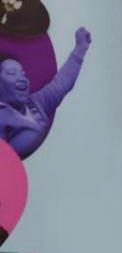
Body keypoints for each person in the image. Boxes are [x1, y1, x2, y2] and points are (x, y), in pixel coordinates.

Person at [0, 26, 91, 160]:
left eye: (23, 73)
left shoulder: (36, 103)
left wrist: (80, 48)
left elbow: (61, 84)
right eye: (12, 73)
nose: (21, 78)